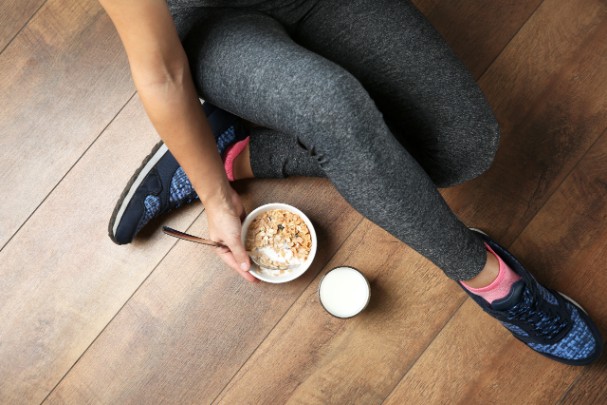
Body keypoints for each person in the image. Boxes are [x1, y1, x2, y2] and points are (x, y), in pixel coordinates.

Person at [100, 0, 603, 365]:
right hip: (208, 23)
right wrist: (214, 198)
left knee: (463, 146)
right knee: (330, 106)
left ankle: (235, 153)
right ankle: (492, 281)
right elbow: (163, 74)